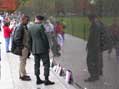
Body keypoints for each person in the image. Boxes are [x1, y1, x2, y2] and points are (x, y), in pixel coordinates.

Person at [28, 15, 55, 85]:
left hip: (34, 49)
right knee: (46, 64)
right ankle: (46, 80)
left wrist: (31, 49)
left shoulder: (30, 27)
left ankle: (38, 79)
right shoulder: (41, 26)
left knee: (36, 64)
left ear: (36, 19)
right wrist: (48, 47)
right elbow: (44, 38)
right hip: (42, 49)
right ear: (41, 20)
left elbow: (29, 40)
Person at [85, 15, 105, 82]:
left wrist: (89, 45)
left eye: (89, 19)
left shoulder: (95, 25)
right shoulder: (99, 24)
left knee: (90, 61)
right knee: (97, 61)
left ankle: (93, 76)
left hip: (94, 47)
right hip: (97, 47)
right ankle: (97, 74)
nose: (89, 21)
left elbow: (93, 37)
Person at [11, 15, 31, 81]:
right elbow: (16, 39)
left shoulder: (23, 26)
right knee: (22, 61)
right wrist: (22, 47)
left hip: (25, 47)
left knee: (23, 61)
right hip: (23, 48)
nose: (28, 21)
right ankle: (22, 76)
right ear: (23, 20)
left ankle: (23, 74)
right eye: (27, 20)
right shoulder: (20, 27)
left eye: (28, 20)